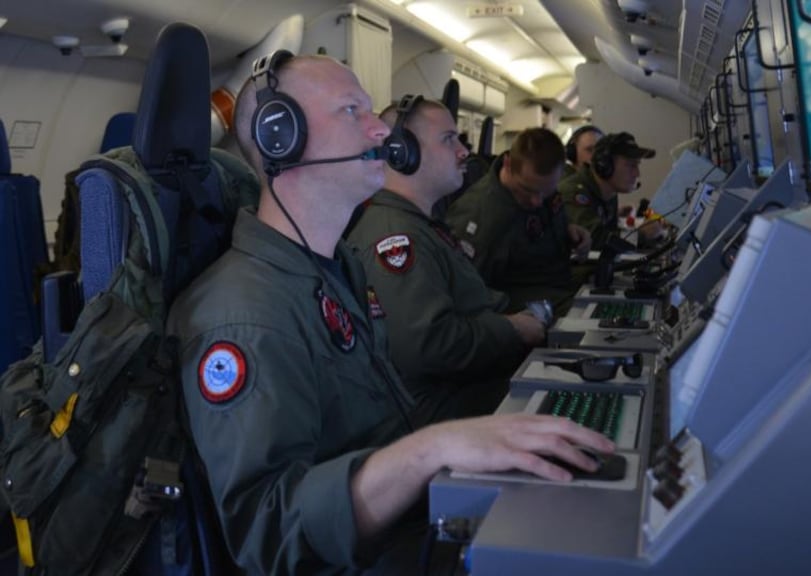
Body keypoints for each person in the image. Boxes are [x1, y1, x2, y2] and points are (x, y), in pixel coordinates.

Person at [168, 53, 614, 574]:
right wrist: (432, 449)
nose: (381, 129)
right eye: (352, 110)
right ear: (280, 138)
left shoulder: (338, 271)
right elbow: (269, 532)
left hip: (416, 525)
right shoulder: (245, 314)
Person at [346, 96, 545, 425]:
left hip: (462, 393)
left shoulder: (419, 225)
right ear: (402, 152)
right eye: (448, 140)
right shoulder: (395, 237)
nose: (464, 151)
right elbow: (428, 345)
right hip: (440, 413)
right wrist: (512, 329)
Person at [445, 127, 591, 317]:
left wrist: (569, 230)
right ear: (507, 164)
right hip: (517, 306)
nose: (537, 201)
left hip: (556, 282)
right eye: (528, 190)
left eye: (545, 192)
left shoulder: (537, 182)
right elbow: (467, 296)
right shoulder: (481, 218)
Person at [558, 131, 661, 252]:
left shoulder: (609, 193)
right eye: (630, 165)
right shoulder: (574, 192)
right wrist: (640, 235)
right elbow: (596, 239)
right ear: (605, 165)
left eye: (637, 165)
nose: (637, 173)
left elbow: (609, 234)